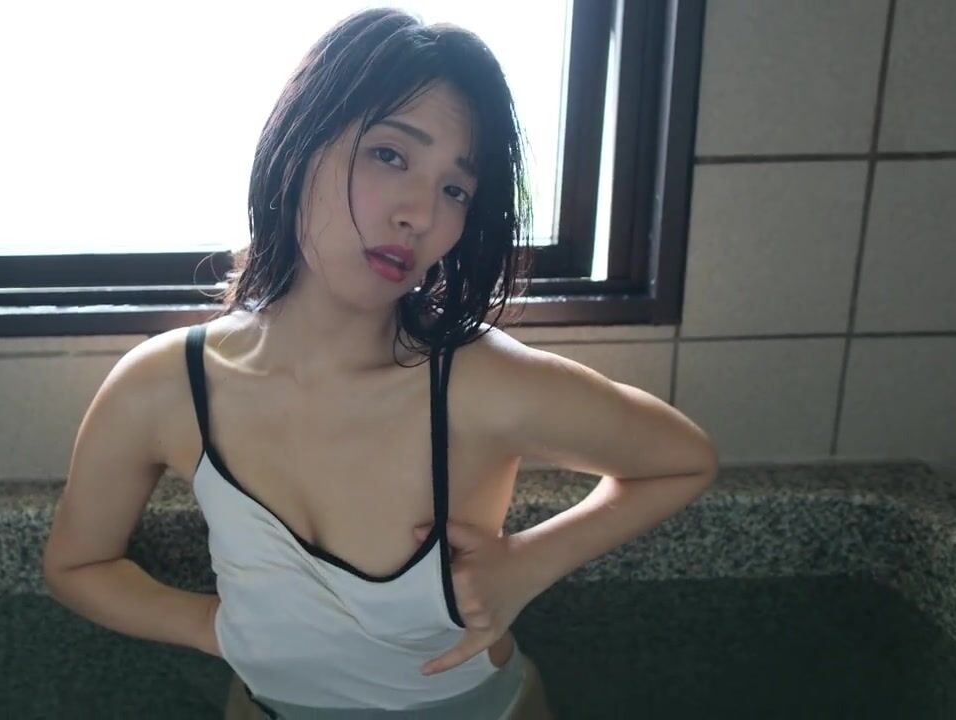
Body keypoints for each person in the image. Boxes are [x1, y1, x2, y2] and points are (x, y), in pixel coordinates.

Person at [42, 8, 718, 719]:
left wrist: (528, 563)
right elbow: (77, 565)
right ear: (298, 148)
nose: (419, 214)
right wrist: (216, 628)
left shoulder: (481, 384)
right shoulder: (165, 388)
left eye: (455, 190)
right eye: (390, 155)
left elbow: (683, 460)